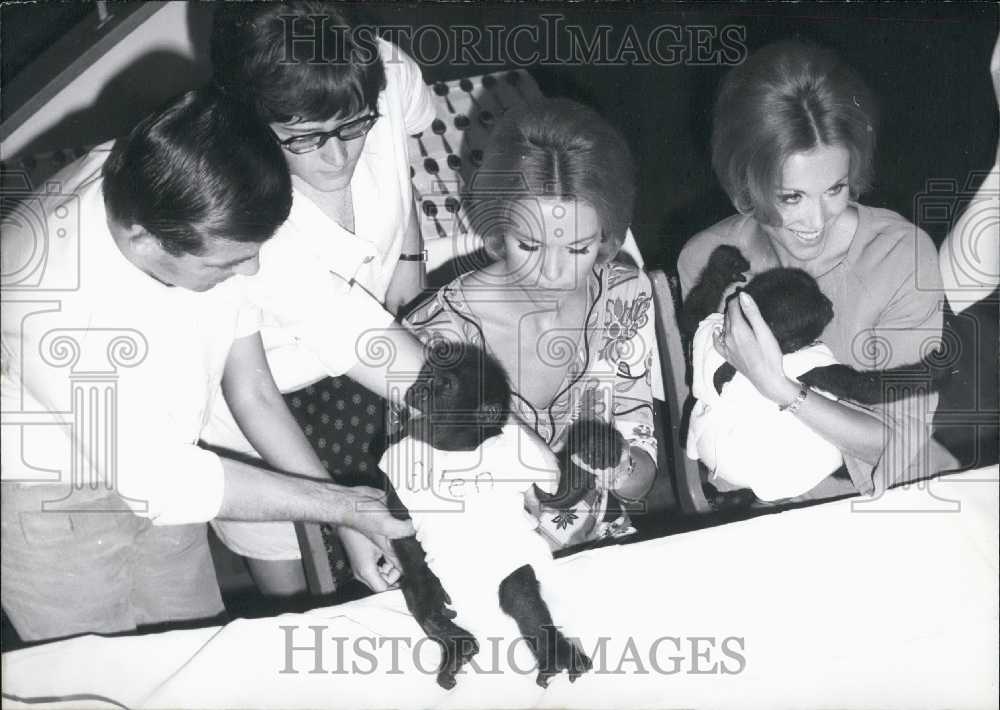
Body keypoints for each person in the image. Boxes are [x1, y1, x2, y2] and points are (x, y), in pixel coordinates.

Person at [0, 87, 412, 642]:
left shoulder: (187, 178)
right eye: (230, 262)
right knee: (100, 677)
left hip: (169, 458)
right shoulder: (49, 299)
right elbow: (162, 483)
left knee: (190, 647)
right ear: (143, 241)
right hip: (49, 495)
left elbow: (266, 376)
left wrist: (461, 404)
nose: (253, 271)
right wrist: (345, 507)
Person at [200, 1, 438, 596]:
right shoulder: (236, 206)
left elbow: (404, 158)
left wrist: (410, 257)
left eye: (354, 126)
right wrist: (340, 513)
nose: (338, 157)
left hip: (371, 371)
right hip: (267, 409)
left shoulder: (382, 70)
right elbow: (252, 391)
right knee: (296, 586)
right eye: (305, 138)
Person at [677, 40, 946, 500]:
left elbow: (900, 441)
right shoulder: (708, 260)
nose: (817, 220)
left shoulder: (901, 255)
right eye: (791, 197)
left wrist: (780, 388)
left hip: (877, 494)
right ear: (747, 181)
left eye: (835, 189)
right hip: (749, 498)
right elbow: (718, 414)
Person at [404, 98, 658, 551]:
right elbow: (432, 510)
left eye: (577, 249)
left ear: (605, 235)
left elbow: (640, 483)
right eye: (529, 245)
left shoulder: (623, 297)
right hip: (484, 561)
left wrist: (619, 465)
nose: (553, 274)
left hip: (604, 548)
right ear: (498, 228)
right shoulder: (433, 339)